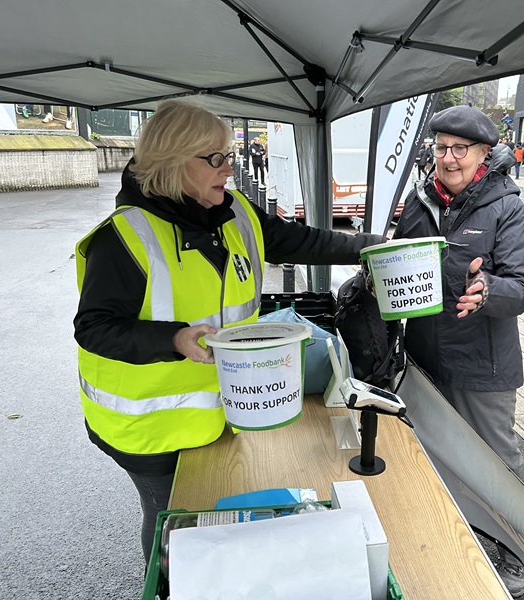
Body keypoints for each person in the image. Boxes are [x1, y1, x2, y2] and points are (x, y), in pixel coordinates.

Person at [73, 100, 383, 562]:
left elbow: (304, 241)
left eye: (229, 155)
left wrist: (374, 247)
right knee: (171, 525)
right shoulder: (124, 237)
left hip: (218, 410)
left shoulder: (233, 211)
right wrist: (172, 340)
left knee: (212, 514)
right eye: (214, 158)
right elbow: (94, 328)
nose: (228, 169)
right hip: (146, 427)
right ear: (173, 162)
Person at [394, 105, 524, 598]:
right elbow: (398, 263)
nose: (448, 159)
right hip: (426, 357)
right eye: (440, 149)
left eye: (460, 150)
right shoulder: (418, 202)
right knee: (437, 452)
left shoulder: (507, 208)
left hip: (485, 363)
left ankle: (513, 550)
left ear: (483, 155)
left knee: (495, 461)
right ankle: (458, 534)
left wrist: (488, 289)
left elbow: (523, 288)